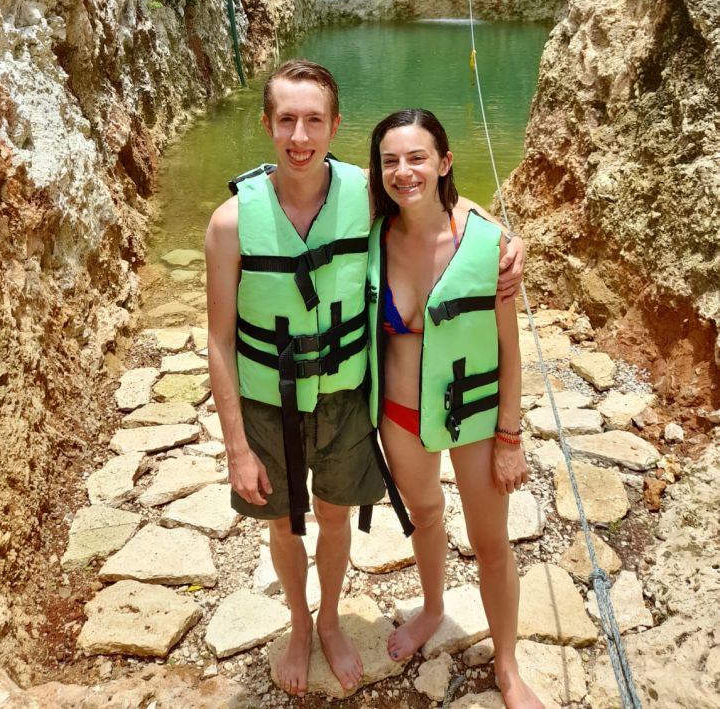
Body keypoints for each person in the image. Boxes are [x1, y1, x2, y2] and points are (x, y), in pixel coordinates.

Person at [205, 61, 526, 698]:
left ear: (334, 125)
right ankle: (306, 623)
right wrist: (235, 447)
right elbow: (217, 339)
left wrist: (506, 237)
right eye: (287, 120)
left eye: (314, 120)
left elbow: (445, 206)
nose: (300, 135)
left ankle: (347, 625)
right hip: (309, 404)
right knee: (298, 521)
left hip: (384, 403)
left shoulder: (381, 202)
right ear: (267, 124)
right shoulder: (239, 221)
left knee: (347, 518)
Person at [366, 108, 543, 709]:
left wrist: (509, 435)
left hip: (472, 410)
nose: (403, 171)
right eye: (390, 160)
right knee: (423, 513)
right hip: (399, 412)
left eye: (417, 157)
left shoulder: (487, 244)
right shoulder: (371, 237)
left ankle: (510, 667)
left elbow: (509, 351)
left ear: (444, 163)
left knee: (490, 541)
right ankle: (433, 608)